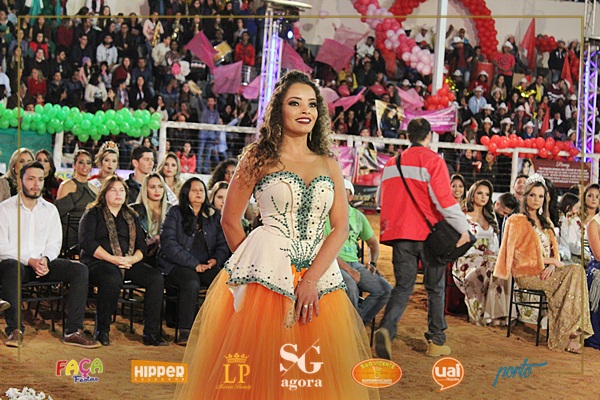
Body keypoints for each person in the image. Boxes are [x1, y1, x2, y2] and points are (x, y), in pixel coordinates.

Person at [172, 71, 378, 399]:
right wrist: (254, 267)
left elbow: (340, 227)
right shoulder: (258, 157)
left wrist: (310, 280)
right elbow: (230, 220)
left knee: (317, 373)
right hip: (265, 286)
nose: (305, 110)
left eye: (311, 104)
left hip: (320, 284)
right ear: (279, 110)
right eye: (295, 103)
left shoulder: (328, 162)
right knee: (259, 373)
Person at [375, 118, 471, 360]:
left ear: (409, 136)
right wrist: (463, 229)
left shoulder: (391, 164)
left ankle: (387, 328)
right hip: (429, 235)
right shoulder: (433, 161)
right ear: (429, 135)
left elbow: (380, 200)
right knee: (435, 288)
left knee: (403, 286)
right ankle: (436, 341)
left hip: (400, 235)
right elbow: (444, 201)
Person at [0, 162, 101, 349]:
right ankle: (15, 330)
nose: (36, 184)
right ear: (20, 181)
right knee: (11, 266)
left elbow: (55, 243)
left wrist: (45, 259)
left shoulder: (50, 209)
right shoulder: (5, 209)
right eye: (31, 179)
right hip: (17, 265)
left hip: (43, 264)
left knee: (79, 270)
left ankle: (72, 331)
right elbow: (2, 247)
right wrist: (29, 260)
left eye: (40, 179)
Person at [494, 175, 593, 353]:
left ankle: (570, 331)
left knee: (577, 270)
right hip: (527, 274)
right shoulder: (516, 220)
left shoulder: (546, 222)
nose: (536, 200)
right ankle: (569, 334)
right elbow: (517, 257)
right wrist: (548, 261)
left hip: (547, 272)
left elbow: (555, 253)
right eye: (532, 195)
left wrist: (553, 265)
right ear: (525, 196)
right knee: (574, 273)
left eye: (540, 196)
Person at [78, 175, 166, 346]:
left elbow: (142, 246)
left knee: (155, 278)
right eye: (113, 190)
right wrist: (113, 259)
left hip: (127, 262)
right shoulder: (93, 213)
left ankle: (151, 333)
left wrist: (132, 259)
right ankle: (102, 330)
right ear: (104, 193)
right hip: (99, 262)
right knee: (112, 277)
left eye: (121, 190)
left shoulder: (131, 215)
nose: (118, 194)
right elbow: (87, 242)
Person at [158, 178, 230, 345]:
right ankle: (186, 331)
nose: (198, 193)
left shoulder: (213, 215)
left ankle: (215, 328)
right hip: (177, 264)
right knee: (191, 283)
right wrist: (193, 264)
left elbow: (222, 243)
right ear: (186, 193)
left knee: (222, 280)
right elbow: (168, 243)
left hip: (205, 265)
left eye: (201, 190)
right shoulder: (175, 212)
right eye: (194, 190)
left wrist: (216, 260)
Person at [326, 179, 392, 325]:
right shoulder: (326, 215)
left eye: (344, 191)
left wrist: (372, 263)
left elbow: (372, 243)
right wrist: (349, 270)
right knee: (351, 287)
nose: (339, 194)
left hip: (355, 264)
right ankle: (353, 328)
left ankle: (354, 324)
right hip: (332, 263)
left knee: (385, 289)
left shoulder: (358, 216)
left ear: (351, 197)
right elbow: (324, 250)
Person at [453, 180, 511, 326]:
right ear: (472, 195)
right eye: (480, 193)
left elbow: (494, 242)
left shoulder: (490, 217)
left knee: (501, 266)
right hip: (466, 258)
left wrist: (492, 253)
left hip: (488, 258)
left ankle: (499, 313)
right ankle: (485, 315)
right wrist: (481, 252)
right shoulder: (463, 216)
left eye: (487, 194)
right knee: (491, 266)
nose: (483, 197)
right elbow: (459, 242)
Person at [55, 150, 97, 253]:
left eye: (88, 163)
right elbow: (58, 214)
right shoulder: (66, 186)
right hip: (70, 237)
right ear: (74, 165)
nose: (85, 166)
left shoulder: (95, 189)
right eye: (81, 162)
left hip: (89, 236)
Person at [130, 173, 169, 267]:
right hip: (141, 255)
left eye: (160, 187)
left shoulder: (172, 210)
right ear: (145, 189)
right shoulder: (134, 210)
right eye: (152, 187)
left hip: (166, 256)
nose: (157, 190)